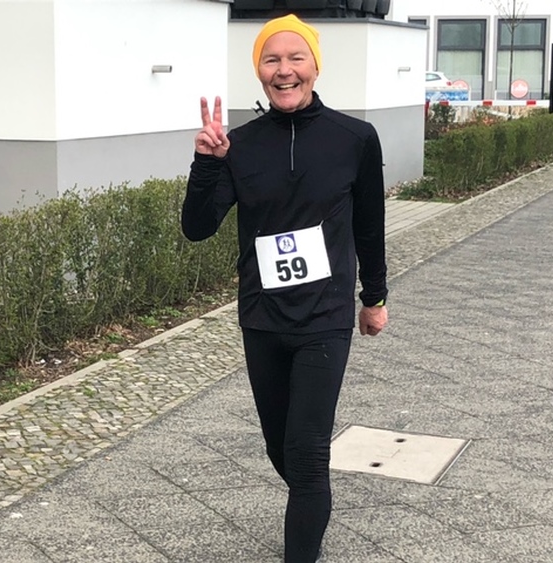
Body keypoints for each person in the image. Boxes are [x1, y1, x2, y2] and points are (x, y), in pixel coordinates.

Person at [181, 13, 388, 563]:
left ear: (315, 67)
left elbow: (370, 225)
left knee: (306, 451)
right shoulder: (240, 145)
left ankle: (303, 540)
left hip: (325, 317)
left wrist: (374, 298)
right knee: (282, 449)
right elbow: (197, 228)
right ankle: (312, 505)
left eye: (297, 57)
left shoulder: (355, 138)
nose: (284, 69)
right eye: (271, 59)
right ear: (259, 72)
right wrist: (206, 163)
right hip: (263, 318)